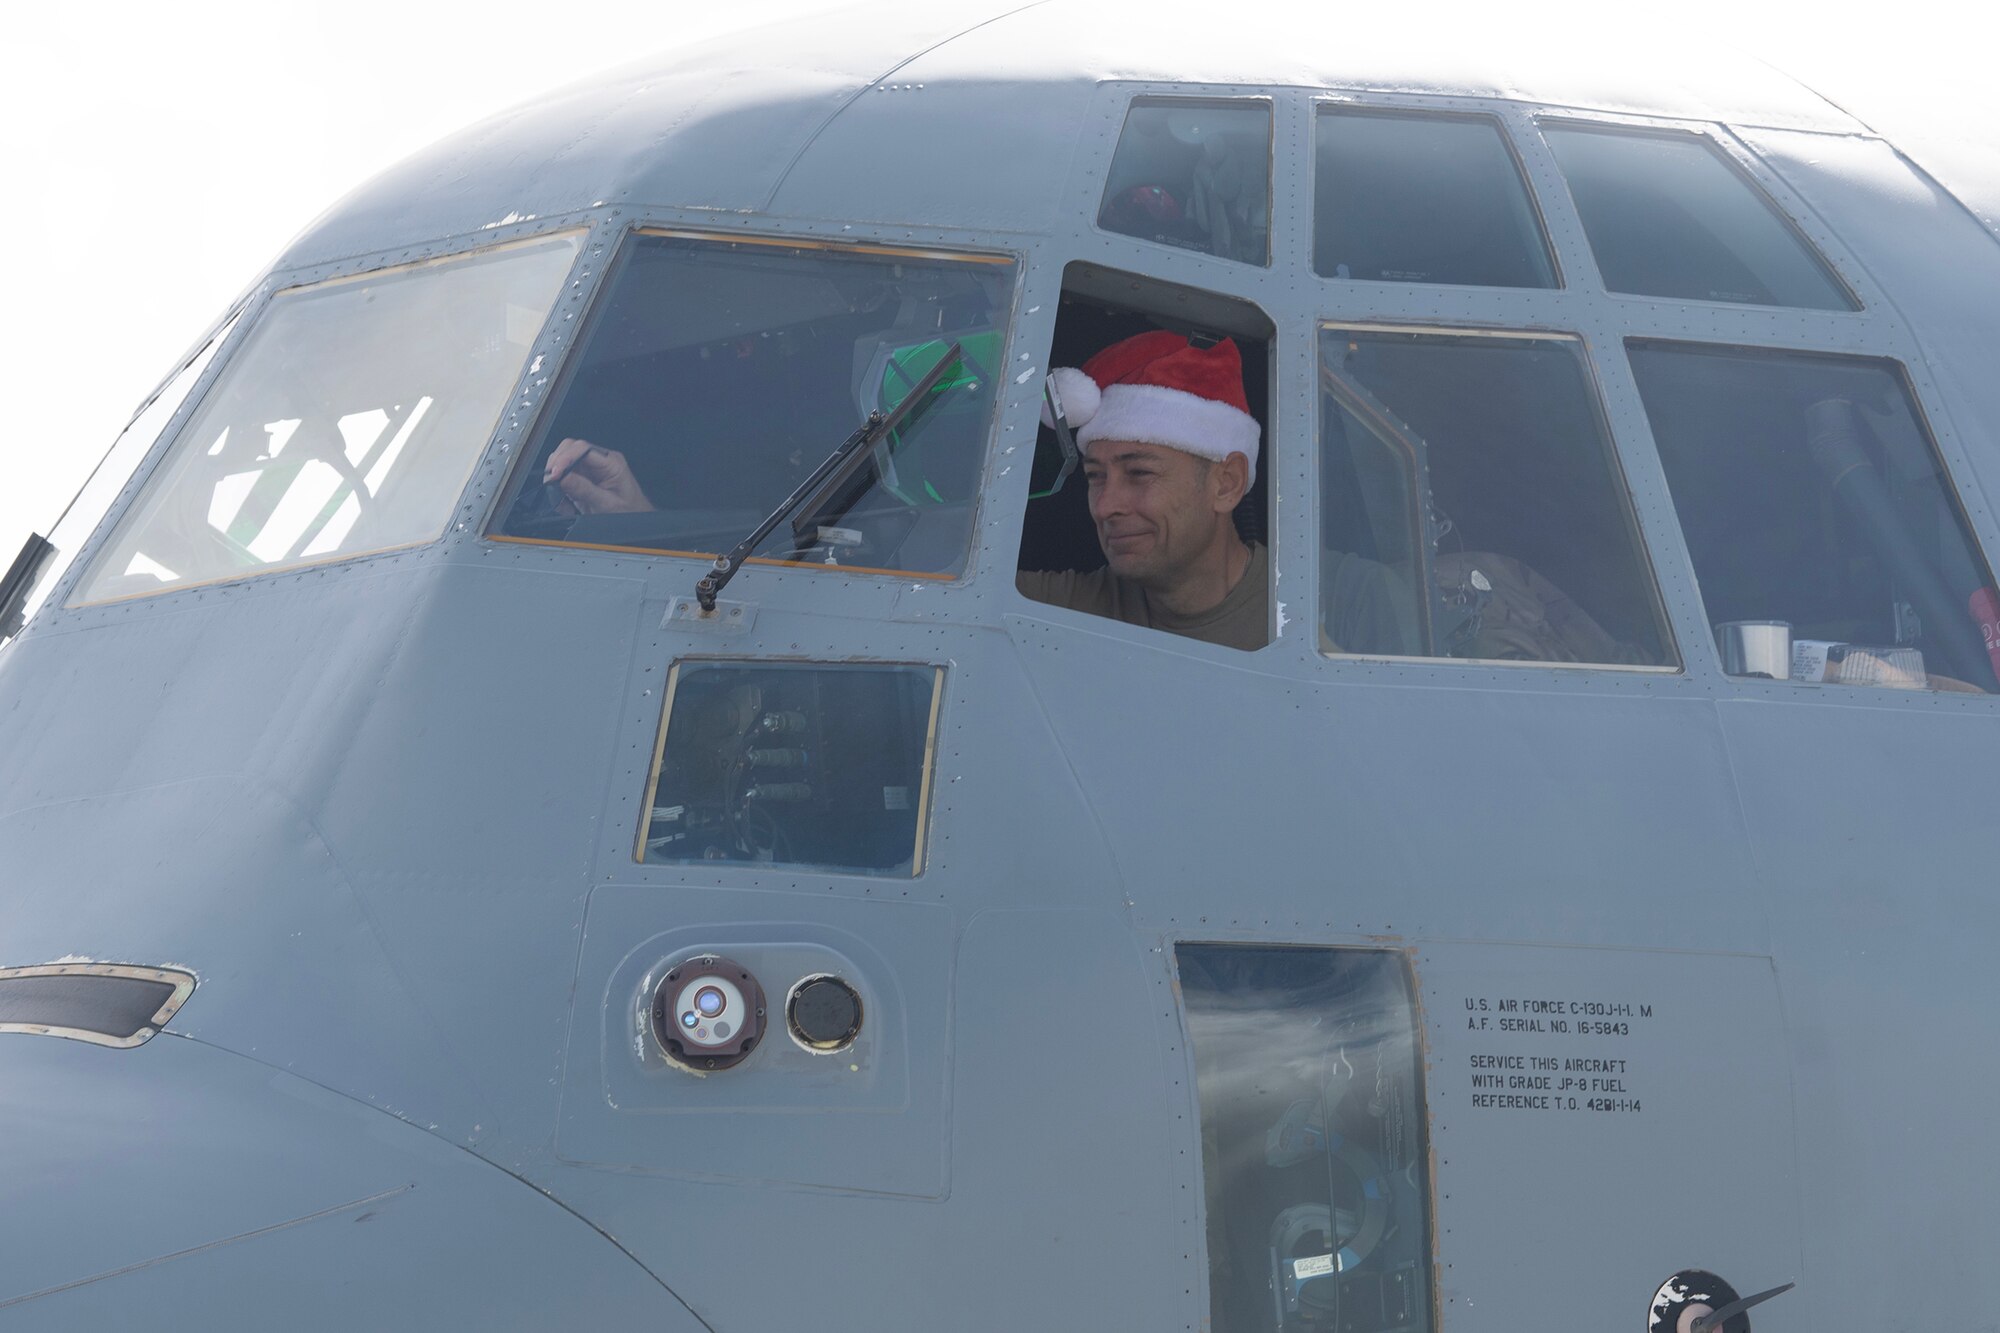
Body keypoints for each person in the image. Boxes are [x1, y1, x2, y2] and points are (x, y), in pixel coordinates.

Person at [1018, 330, 1411, 653]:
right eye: (1095, 477)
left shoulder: (1351, 600)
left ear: (1227, 484)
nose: (1105, 506)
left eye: (1139, 473)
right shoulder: (1057, 610)